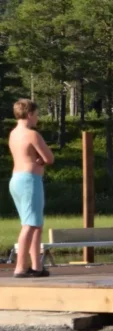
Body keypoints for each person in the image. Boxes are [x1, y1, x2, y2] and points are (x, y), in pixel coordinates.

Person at [8, 99, 53, 277]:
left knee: (36, 224)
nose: (37, 118)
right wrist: (42, 160)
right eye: (36, 114)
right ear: (29, 114)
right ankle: (20, 267)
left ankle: (37, 266)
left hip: (16, 179)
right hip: (29, 180)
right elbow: (49, 158)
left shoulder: (13, 134)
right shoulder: (32, 134)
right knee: (29, 225)